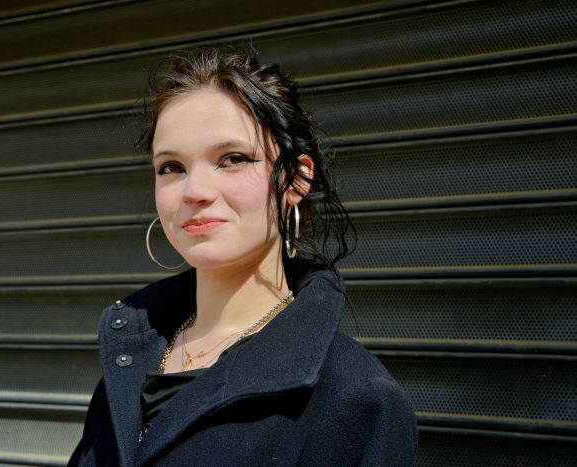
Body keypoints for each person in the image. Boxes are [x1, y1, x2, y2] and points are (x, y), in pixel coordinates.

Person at [69, 49, 417, 466]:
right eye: (172, 167)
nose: (195, 191)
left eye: (232, 159)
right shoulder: (129, 357)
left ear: (295, 179)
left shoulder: (355, 398)